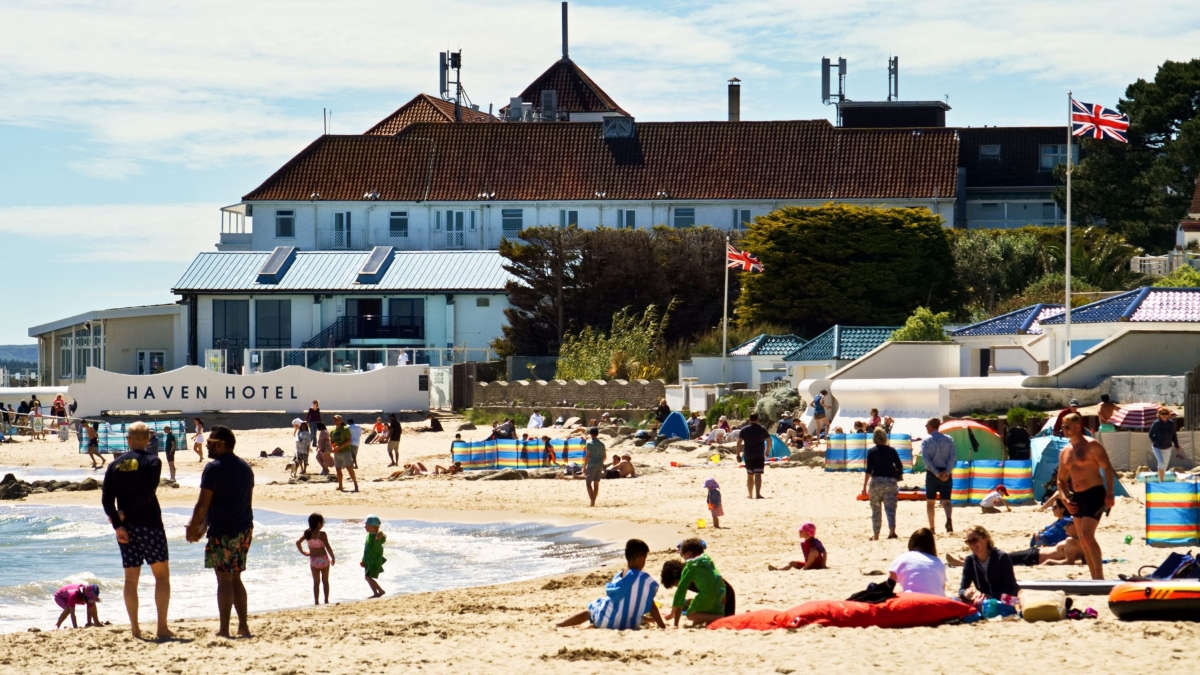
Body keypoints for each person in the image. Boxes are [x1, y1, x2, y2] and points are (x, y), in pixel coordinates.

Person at [100, 421, 172, 639]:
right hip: (149, 524)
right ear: (148, 439)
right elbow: (147, 495)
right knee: (161, 577)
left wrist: (118, 523)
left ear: (128, 440)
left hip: (126, 530)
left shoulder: (115, 465)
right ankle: (161, 628)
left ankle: (135, 629)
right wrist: (124, 516)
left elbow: (106, 501)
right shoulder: (153, 461)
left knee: (131, 580)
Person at [186, 425, 255, 639]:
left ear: (222, 445)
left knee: (224, 580)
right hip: (244, 529)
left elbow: (203, 503)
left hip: (224, 531)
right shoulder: (245, 467)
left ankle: (224, 629)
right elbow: (245, 502)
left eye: (211, 444)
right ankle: (243, 626)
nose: (207, 447)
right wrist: (204, 524)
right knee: (236, 579)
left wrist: (192, 526)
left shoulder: (213, 468)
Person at [557, 539, 665, 629]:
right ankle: (591, 626)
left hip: (606, 620)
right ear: (641, 558)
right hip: (628, 624)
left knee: (591, 611)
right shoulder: (644, 579)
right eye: (645, 558)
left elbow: (618, 601)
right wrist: (662, 625)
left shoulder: (620, 576)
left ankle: (561, 624)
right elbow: (650, 605)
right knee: (623, 608)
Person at [1057, 412, 1115, 580]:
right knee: (1082, 540)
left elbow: (1108, 468)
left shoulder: (1092, 446)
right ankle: (1093, 578)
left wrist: (1110, 492)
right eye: (1063, 427)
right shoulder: (1065, 452)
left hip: (1095, 493)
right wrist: (1064, 498)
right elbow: (1061, 479)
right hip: (1077, 497)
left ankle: (1100, 578)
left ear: (1077, 426)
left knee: (1087, 536)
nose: (1064, 430)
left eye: (1067, 427)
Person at [671, 538, 726, 627]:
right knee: (699, 619)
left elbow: (680, 592)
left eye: (682, 555)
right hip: (722, 593)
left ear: (688, 554)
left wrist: (674, 620)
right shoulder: (707, 559)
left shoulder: (690, 566)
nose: (684, 559)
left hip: (708, 595)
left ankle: (721, 618)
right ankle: (718, 618)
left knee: (690, 615)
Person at [957, 525, 1019, 606]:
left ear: (985, 538)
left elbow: (1011, 589)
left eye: (974, 540)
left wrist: (991, 596)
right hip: (986, 602)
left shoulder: (1001, 557)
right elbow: (962, 588)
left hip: (1007, 600)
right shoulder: (970, 561)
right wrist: (966, 593)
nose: (972, 544)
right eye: (969, 542)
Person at [862, 427, 903, 540]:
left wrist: (864, 485)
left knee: (876, 510)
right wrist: (894, 471)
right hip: (890, 482)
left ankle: (876, 535)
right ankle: (891, 531)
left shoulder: (871, 452)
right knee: (890, 508)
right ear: (885, 437)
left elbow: (869, 470)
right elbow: (900, 466)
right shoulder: (892, 451)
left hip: (876, 482)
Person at [921, 417, 956, 533]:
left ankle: (932, 528)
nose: (926, 428)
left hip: (932, 474)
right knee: (946, 501)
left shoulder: (926, 441)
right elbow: (953, 457)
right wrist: (947, 471)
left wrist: (936, 473)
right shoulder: (949, 439)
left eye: (926, 426)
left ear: (931, 426)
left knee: (930, 502)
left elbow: (926, 460)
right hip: (946, 473)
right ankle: (949, 519)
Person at [887, 528, 945, 596]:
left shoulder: (903, 558)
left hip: (913, 600)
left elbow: (889, 585)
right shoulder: (938, 562)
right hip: (937, 602)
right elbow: (941, 588)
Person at [296, 513, 335, 605]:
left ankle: (316, 601)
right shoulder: (322, 534)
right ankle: (326, 600)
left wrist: (303, 552)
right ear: (318, 524)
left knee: (316, 582)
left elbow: (298, 542)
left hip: (314, 560)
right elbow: (328, 547)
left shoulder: (307, 534)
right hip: (324, 560)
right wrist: (333, 557)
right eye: (322, 523)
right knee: (325, 581)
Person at [736, 413, 769, 499]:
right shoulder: (762, 429)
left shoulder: (744, 429)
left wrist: (738, 455)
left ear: (749, 419)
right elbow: (769, 441)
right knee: (758, 474)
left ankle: (750, 495)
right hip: (759, 454)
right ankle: (758, 494)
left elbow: (739, 443)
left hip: (748, 455)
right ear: (757, 419)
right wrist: (767, 451)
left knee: (750, 475)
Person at [1149, 407, 1182, 483]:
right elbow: (1150, 434)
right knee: (1161, 462)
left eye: (1166, 413)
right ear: (1159, 415)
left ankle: (1160, 477)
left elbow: (1174, 435)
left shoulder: (1171, 423)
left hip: (1168, 447)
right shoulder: (1156, 423)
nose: (1164, 415)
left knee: (1164, 466)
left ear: (1168, 415)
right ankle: (1161, 482)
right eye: (1162, 413)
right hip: (1157, 447)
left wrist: (1176, 445)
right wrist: (1155, 441)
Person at [329, 415, 359, 492]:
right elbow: (332, 441)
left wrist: (339, 447)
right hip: (337, 453)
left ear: (340, 421)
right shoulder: (332, 430)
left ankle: (355, 483)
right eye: (334, 420)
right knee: (338, 469)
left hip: (345, 452)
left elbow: (349, 440)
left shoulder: (345, 429)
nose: (335, 421)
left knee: (349, 469)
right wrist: (333, 447)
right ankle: (340, 486)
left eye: (336, 420)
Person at [361, 514, 387, 598]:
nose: (365, 527)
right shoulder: (369, 535)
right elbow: (366, 550)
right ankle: (377, 592)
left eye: (366, 525)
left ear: (372, 527)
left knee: (367, 577)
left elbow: (377, 548)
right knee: (367, 577)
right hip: (368, 560)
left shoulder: (377, 537)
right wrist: (363, 560)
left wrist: (377, 540)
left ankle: (379, 591)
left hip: (374, 561)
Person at [584, 427, 606, 507]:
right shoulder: (602, 444)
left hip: (592, 465)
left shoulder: (589, 443)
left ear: (590, 434)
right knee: (596, 483)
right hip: (599, 465)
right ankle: (593, 501)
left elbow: (587, 456)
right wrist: (600, 462)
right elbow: (604, 457)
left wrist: (584, 467)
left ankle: (592, 501)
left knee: (588, 483)